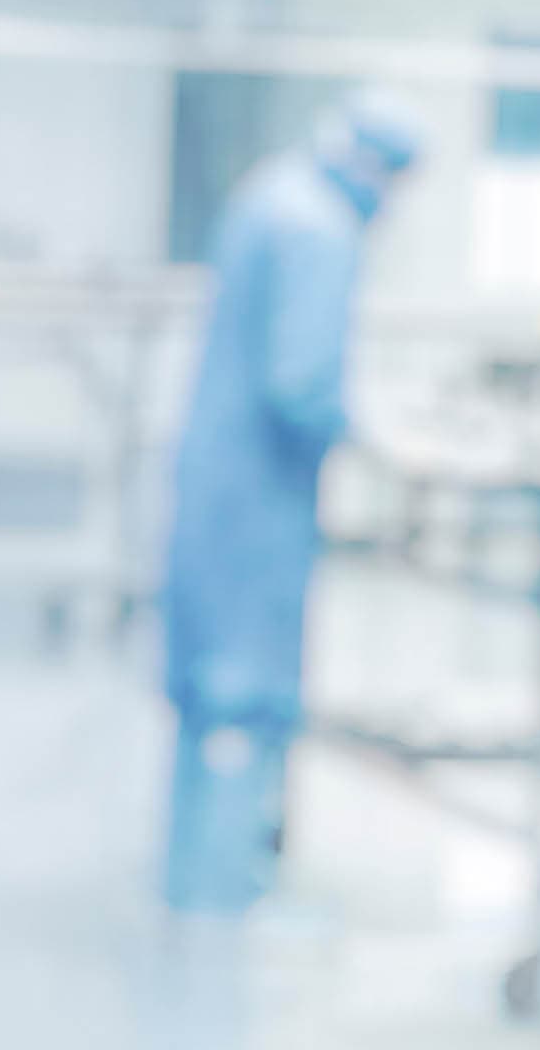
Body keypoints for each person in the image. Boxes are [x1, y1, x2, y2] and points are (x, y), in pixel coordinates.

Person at [161, 91, 422, 914]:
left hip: (218, 481)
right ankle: (223, 894)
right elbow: (301, 384)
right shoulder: (320, 231)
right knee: (246, 692)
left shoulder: (269, 196)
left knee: (208, 696)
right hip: (260, 497)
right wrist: (380, 436)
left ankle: (190, 880)